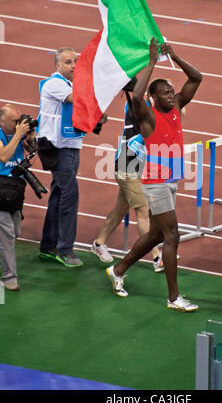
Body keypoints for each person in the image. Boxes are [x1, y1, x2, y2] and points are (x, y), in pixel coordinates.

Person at [106, 38, 202, 312]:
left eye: (172, 91)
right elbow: (136, 97)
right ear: (154, 98)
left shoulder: (176, 108)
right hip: (155, 181)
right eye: (166, 93)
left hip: (170, 179)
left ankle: (118, 270)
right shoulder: (147, 117)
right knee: (172, 235)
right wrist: (151, 61)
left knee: (157, 235)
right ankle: (174, 298)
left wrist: (175, 54)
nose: (172, 95)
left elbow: (197, 77)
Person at [91, 86, 164, 272]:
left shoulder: (150, 108)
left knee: (121, 207)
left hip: (136, 163)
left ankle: (99, 243)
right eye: (165, 92)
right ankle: (156, 256)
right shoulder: (136, 107)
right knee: (142, 209)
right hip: (126, 164)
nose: (168, 96)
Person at [37, 47, 87, 268]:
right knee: (69, 194)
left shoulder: (71, 84)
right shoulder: (54, 84)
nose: (73, 65)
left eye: (74, 61)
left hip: (71, 146)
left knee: (58, 194)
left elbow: (79, 109)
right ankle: (65, 250)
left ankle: (48, 246)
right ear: (57, 66)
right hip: (56, 148)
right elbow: (73, 99)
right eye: (68, 62)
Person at [0, 104, 34, 291]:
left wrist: (31, 138)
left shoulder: (18, 135)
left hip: (15, 191)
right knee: (7, 235)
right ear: (2, 121)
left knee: (15, 233)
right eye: (14, 121)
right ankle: (9, 278)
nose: (18, 124)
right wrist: (18, 135)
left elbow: (35, 151)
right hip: (0, 191)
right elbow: (4, 156)